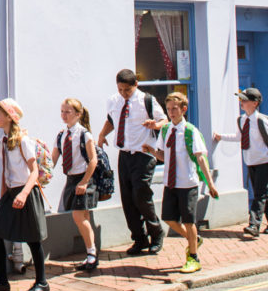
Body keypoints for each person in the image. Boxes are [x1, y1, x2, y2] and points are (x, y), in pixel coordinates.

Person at [0, 98, 50, 291]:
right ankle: (2, 282)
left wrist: (24, 193)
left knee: (33, 239)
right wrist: (4, 199)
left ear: (9, 118)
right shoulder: (2, 142)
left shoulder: (23, 141)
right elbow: (6, 173)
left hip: (26, 192)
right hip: (11, 193)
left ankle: (42, 282)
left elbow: (34, 170)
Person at [95, 69, 167, 255]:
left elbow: (164, 120)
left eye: (127, 90)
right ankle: (139, 238)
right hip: (125, 154)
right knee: (127, 198)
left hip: (144, 153)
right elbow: (112, 120)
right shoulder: (114, 100)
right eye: (120, 89)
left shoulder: (146, 100)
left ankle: (156, 233)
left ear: (135, 85)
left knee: (141, 196)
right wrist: (102, 134)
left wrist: (155, 125)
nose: (123, 93)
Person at [145, 92, 218, 274]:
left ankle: (193, 257)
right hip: (171, 183)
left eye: (175, 109)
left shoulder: (190, 131)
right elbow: (163, 155)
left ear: (183, 109)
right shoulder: (165, 130)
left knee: (188, 221)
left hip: (187, 183)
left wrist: (210, 184)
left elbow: (201, 159)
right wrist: (152, 151)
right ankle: (194, 240)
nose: (171, 113)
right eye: (168, 109)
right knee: (169, 219)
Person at [213, 87, 268, 237]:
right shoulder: (241, 120)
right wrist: (221, 137)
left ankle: (254, 225)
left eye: (245, 100)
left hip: (263, 162)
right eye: (241, 99)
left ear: (255, 103)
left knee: (259, 195)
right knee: (262, 193)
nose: (241, 102)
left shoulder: (261, 121)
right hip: (250, 161)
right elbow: (239, 137)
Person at [52, 98, 99, 271]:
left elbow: (93, 160)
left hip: (83, 178)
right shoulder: (61, 135)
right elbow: (53, 159)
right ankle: (91, 254)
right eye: (62, 111)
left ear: (78, 114)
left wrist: (85, 182)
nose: (64, 115)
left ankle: (92, 254)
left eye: (68, 112)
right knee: (83, 217)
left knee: (78, 217)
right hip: (71, 179)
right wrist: (43, 174)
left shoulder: (84, 134)